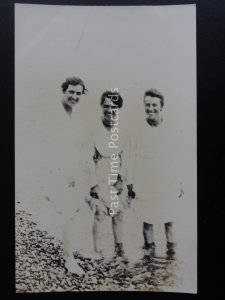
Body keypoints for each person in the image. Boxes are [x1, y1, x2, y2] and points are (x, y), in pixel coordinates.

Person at [39, 76, 91, 275]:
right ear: (64, 91)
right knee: (69, 213)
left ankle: (68, 249)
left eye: (78, 93)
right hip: (58, 171)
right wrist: (63, 173)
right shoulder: (54, 113)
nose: (74, 96)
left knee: (71, 212)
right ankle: (69, 259)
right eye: (71, 92)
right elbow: (49, 148)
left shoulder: (74, 114)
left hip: (72, 170)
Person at [132, 89, 184, 261]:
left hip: (167, 181)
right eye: (147, 104)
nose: (151, 108)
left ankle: (171, 257)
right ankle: (149, 258)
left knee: (169, 219)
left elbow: (178, 157)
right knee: (147, 220)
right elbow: (132, 157)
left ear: (161, 106)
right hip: (146, 181)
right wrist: (130, 183)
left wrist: (181, 184)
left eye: (154, 105)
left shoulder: (171, 129)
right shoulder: (138, 129)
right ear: (144, 106)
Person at [85, 90, 135, 260]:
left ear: (119, 108)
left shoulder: (123, 130)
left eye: (114, 107)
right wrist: (93, 184)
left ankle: (119, 249)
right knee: (99, 212)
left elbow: (127, 156)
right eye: (106, 106)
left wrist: (121, 179)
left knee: (118, 213)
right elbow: (87, 158)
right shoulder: (93, 129)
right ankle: (96, 250)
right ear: (101, 107)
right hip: (99, 171)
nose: (109, 110)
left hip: (116, 174)